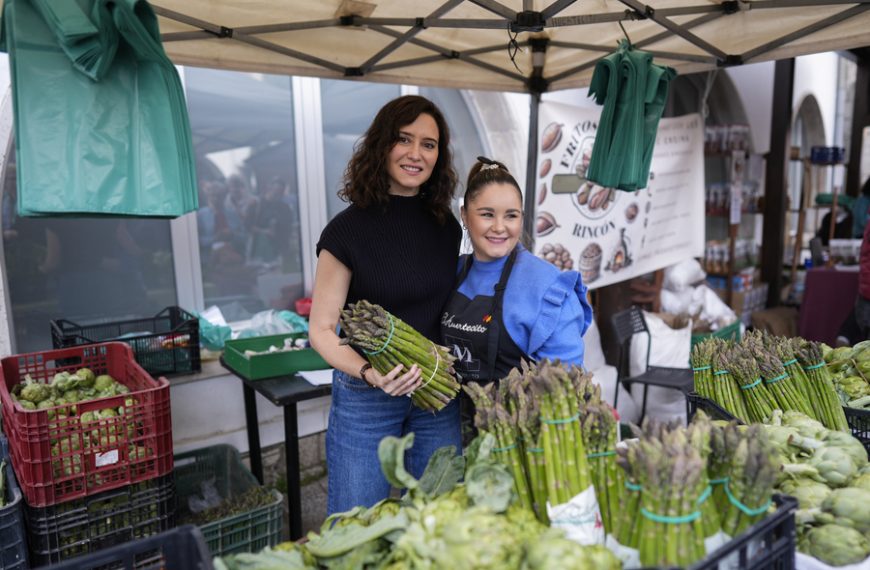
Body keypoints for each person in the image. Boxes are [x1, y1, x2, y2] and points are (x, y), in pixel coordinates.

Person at [309, 95, 462, 515]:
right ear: (381, 145)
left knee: (438, 519)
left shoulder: (446, 226)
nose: (416, 154)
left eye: (428, 144)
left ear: (439, 155)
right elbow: (321, 330)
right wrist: (369, 373)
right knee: (358, 522)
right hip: (367, 397)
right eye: (403, 139)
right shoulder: (346, 232)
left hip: (436, 392)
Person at [441, 157, 593, 440]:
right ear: (464, 215)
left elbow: (565, 386)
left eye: (511, 216)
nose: (499, 227)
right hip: (453, 434)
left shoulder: (547, 286)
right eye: (487, 214)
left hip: (520, 439)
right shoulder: (451, 272)